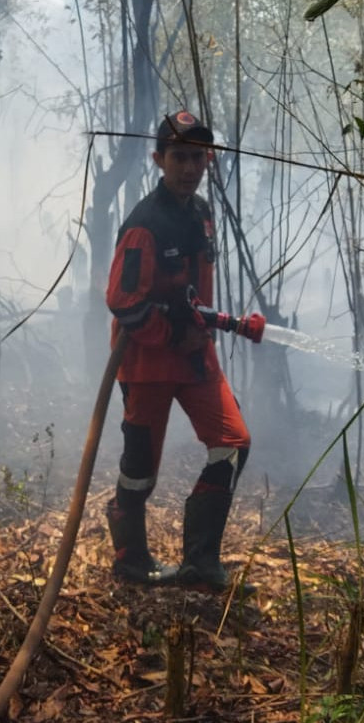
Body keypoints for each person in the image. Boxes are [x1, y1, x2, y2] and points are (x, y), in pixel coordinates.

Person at [105, 111, 255, 595]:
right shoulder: (144, 226)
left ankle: (200, 565)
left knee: (232, 444)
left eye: (197, 157)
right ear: (158, 160)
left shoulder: (204, 212)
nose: (190, 168)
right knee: (140, 469)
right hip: (147, 362)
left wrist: (201, 328)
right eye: (179, 158)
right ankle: (130, 559)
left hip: (196, 359)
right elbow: (122, 302)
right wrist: (173, 335)